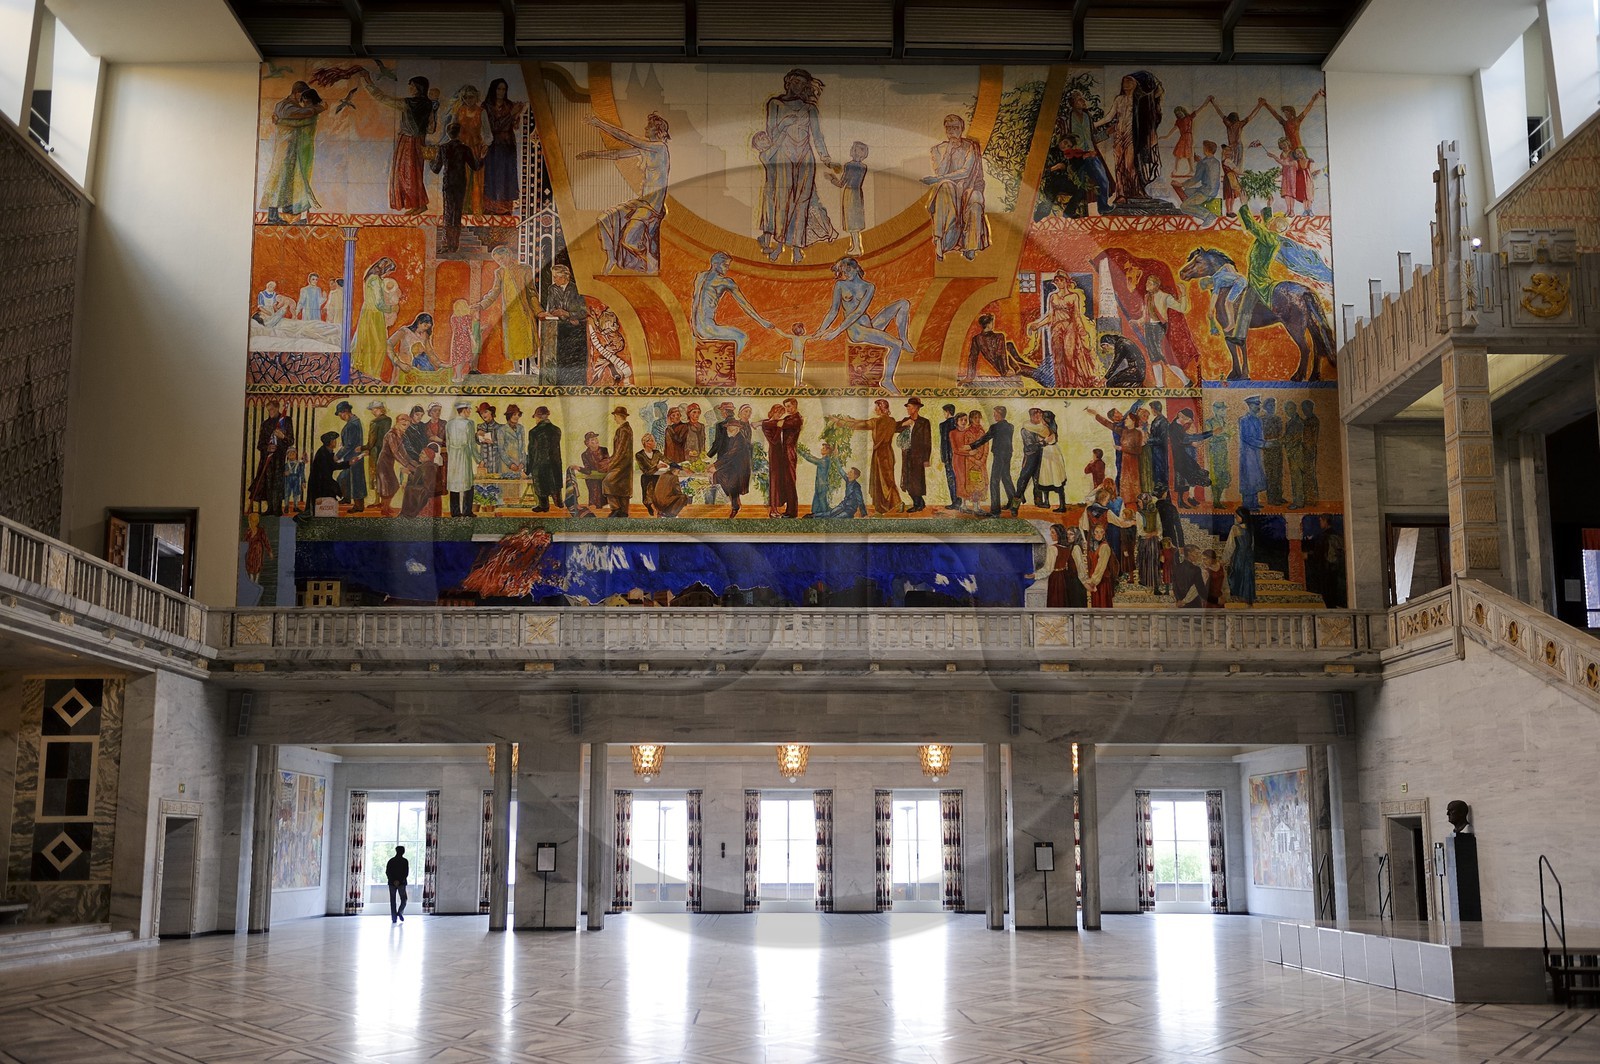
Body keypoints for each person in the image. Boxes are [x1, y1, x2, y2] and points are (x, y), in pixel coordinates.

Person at [759, 69, 835, 264]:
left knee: (802, 203)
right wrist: (783, 124)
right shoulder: (775, 104)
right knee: (782, 202)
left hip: (805, 158)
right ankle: (779, 245)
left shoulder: (810, 110)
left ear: (805, 87)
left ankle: (797, 247)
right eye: (794, 81)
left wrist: (826, 157)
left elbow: (817, 136)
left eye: (801, 83)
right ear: (788, 82)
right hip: (783, 156)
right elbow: (770, 134)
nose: (797, 86)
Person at [580, 111, 671, 274]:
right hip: (642, 203)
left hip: (652, 206)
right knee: (604, 219)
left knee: (629, 240)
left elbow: (627, 138)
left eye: (649, 126)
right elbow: (618, 154)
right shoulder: (647, 149)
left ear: (657, 131)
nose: (645, 128)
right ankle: (612, 258)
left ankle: (643, 265)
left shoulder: (659, 148)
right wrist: (593, 154)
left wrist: (600, 123)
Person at [816, 257, 914, 394]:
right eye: (843, 271)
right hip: (856, 331)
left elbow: (860, 311)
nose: (846, 274)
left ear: (856, 268)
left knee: (903, 303)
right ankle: (887, 380)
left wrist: (835, 332)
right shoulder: (840, 285)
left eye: (848, 270)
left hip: (869, 325)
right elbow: (833, 311)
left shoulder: (869, 287)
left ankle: (904, 339)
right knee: (895, 344)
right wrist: (822, 329)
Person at [359, 71, 437, 214]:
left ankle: (417, 204)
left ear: (419, 88)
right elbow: (431, 129)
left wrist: (368, 81)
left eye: (412, 86)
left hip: (407, 141)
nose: (410, 89)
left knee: (406, 173)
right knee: (415, 173)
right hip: (420, 141)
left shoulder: (408, 104)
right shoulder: (428, 105)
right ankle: (418, 204)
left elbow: (382, 98)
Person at [924, 114, 989, 261]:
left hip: (967, 187)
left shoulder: (971, 147)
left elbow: (966, 172)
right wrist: (948, 152)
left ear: (962, 129)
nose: (952, 131)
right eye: (949, 128)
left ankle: (970, 246)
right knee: (946, 186)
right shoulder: (937, 149)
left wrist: (938, 178)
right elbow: (940, 171)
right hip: (949, 188)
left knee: (976, 198)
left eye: (955, 128)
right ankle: (941, 240)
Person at [260, 83, 326, 224]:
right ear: (297, 92)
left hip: (293, 150)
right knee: (279, 180)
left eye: (306, 99)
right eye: (302, 97)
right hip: (285, 149)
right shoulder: (285, 106)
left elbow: (301, 119)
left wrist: (279, 121)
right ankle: (273, 215)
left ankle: (288, 208)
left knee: (289, 180)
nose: (303, 101)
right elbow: (298, 116)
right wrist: (318, 108)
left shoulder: (292, 106)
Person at [691, 251, 773, 359]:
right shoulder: (726, 282)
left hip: (696, 327)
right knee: (742, 337)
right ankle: (724, 363)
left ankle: (719, 360)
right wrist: (762, 321)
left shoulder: (699, 276)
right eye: (725, 265)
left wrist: (694, 330)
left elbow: (694, 303)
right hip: (708, 328)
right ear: (715, 264)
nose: (727, 269)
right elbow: (744, 305)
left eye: (728, 266)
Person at [830, 399, 903, 515]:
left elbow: (862, 425)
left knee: (883, 481)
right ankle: (883, 508)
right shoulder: (892, 421)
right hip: (888, 453)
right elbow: (864, 422)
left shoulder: (877, 422)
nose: (875, 409)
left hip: (880, 454)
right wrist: (852, 420)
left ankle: (897, 503)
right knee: (887, 479)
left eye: (876, 407)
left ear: (881, 407)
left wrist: (841, 422)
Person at [1024, 277, 1100, 388]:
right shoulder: (1053, 296)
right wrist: (1038, 325)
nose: (1058, 283)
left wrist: (1081, 329)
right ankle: (1061, 384)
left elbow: (1076, 315)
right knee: (1058, 358)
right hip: (1056, 328)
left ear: (1066, 281)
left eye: (1061, 280)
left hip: (1069, 327)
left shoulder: (1074, 296)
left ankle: (1072, 383)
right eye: (1056, 281)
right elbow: (1050, 316)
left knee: (1069, 356)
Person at [475, 246, 540, 376]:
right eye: (498, 260)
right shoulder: (499, 273)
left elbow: (532, 292)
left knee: (528, 337)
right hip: (509, 313)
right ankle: (517, 369)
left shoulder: (524, 269)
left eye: (502, 258)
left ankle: (533, 366)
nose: (501, 262)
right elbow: (494, 292)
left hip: (524, 310)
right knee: (512, 340)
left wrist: (538, 310)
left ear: (509, 254)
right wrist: (481, 305)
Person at [429, 120, 483, 253]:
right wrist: (482, 157)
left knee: (448, 213)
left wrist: (430, 160)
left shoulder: (443, 148)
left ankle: (446, 245)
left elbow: (436, 169)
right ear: (459, 133)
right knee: (457, 214)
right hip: (460, 184)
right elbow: (475, 166)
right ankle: (454, 246)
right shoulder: (465, 148)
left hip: (448, 184)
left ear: (448, 134)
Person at [540, 265, 589, 387]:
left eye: (557, 277)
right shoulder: (552, 289)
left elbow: (584, 311)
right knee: (560, 359)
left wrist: (568, 314)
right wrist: (552, 313)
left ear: (565, 276)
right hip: (559, 328)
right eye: (554, 277)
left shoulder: (577, 288)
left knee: (575, 360)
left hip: (576, 329)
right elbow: (550, 308)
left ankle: (576, 385)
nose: (554, 280)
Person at [1138, 276, 1191, 388]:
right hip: (1149, 329)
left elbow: (1182, 308)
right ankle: (1159, 385)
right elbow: (1146, 316)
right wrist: (1137, 321)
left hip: (1159, 329)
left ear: (1156, 285)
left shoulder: (1165, 297)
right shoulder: (1147, 297)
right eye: (1147, 282)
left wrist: (1183, 294)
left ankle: (1186, 381)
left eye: (1150, 283)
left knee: (1166, 358)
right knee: (1154, 358)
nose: (1147, 284)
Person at [481, 79, 525, 213]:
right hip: (494, 146)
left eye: (503, 89)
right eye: (499, 89)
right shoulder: (487, 106)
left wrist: (517, 115)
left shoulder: (509, 105)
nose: (501, 92)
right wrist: (511, 114)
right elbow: (493, 126)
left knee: (507, 175)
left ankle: (505, 207)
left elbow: (515, 126)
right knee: (494, 175)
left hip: (507, 145)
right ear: (493, 90)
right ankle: (491, 207)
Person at [351, 258, 398, 382]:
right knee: (377, 346)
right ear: (384, 268)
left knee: (368, 345)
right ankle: (372, 376)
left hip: (368, 313)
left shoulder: (370, 278)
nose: (388, 274)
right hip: (374, 315)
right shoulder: (375, 280)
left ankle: (367, 375)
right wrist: (392, 308)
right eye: (388, 271)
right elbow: (379, 304)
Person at [248, 399, 295, 516]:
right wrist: (267, 448)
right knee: (268, 483)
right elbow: (260, 445)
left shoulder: (286, 421)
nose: (270, 412)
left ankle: (277, 508)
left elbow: (291, 441)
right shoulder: (265, 424)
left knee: (278, 483)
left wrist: (283, 436)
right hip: (267, 458)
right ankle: (270, 508)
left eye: (272, 409)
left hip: (280, 457)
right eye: (268, 410)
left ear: (277, 408)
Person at [968, 407, 1016, 517]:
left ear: (1000, 414)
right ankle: (1014, 505)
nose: (994, 416)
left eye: (995, 414)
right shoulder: (1010, 426)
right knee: (1006, 478)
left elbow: (984, 438)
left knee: (994, 481)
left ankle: (995, 511)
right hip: (1008, 454)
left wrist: (971, 446)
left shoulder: (995, 427)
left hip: (999, 455)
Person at [706, 406, 752, 517]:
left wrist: (715, 465)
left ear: (737, 429)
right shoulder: (733, 437)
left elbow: (730, 455)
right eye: (727, 428)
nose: (727, 431)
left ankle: (735, 506)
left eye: (730, 429)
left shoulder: (739, 440)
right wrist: (714, 465)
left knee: (730, 481)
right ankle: (734, 502)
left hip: (740, 469)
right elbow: (727, 455)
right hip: (734, 466)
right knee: (720, 476)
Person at [963, 313, 1036, 382]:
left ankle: (1022, 362)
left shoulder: (976, 339)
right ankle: (1022, 365)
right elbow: (1000, 354)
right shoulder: (999, 336)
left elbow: (972, 357)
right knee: (1034, 372)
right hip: (1004, 367)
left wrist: (969, 376)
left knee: (1009, 345)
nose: (993, 325)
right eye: (992, 323)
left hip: (1004, 364)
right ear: (988, 325)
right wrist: (1005, 371)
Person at [825, 140, 869, 255]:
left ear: (856, 152)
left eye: (852, 148)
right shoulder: (863, 167)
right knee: (855, 221)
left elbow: (841, 184)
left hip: (850, 194)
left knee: (852, 222)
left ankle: (857, 248)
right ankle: (856, 245)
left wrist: (831, 178)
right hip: (858, 194)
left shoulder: (849, 166)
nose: (850, 150)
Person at [1168, 409, 1214, 508]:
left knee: (1192, 474)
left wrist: (1210, 433)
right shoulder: (1173, 427)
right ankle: (1180, 501)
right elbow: (1182, 440)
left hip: (1183, 455)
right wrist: (1192, 443)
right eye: (1188, 419)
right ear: (1181, 416)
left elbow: (1189, 437)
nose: (1189, 421)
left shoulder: (1179, 426)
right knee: (1181, 478)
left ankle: (1188, 498)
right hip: (1179, 456)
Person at [896, 397, 933, 513]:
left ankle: (918, 504)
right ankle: (920, 503)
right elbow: (894, 428)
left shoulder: (924, 422)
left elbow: (927, 441)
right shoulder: (905, 420)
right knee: (907, 480)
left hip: (918, 456)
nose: (908, 409)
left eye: (910, 407)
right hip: (906, 454)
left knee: (916, 481)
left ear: (916, 408)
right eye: (907, 407)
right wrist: (904, 423)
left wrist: (926, 458)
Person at [375, 412, 413, 516]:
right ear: (397, 423)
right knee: (387, 487)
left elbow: (403, 451)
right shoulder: (391, 434)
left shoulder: (400, 434)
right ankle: (384, 509)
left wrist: (411, 461)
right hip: (383, 464)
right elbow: (395, 452)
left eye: (407, 426)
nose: (405, 428)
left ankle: (386, 507)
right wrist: (407, 464)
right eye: (403, 425)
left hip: (388, 464)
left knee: (393, 486)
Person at [1010, 408, 1047, 514]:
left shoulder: (1042, 428)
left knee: (1038, 480)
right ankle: (1014, 507)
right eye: (1036, 416)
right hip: (1030, 457)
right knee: (1023, 481)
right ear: (1031, 416)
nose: (1039, 418)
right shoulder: (1026, 430)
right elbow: (1030, 447)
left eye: (1040, 416)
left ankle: (1038, 501)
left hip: (1040, 456)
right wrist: (1043, 443)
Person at [526, 406, 562, 512]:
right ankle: (559, 503)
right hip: (555, 463)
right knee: (555, 484)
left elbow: (531, 451)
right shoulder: (557, 430)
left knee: (540, 486)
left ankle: (544, 506)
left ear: (538, 417)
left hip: (540, 463)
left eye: (536, 417)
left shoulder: (534, 431)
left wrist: (528, 469)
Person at [333, 401, 367, 513]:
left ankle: (359, 506)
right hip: (350, 457)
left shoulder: (352, 424)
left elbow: (349, 444)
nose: (341, 417)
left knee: (356, 481)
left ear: (345, 412)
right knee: (343, 478)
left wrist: (337, 456)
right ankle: (347, 498)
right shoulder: (353, 422)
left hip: (354, 458)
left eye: (340, 414)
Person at [309, 430, 355, 511]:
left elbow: (331, 466)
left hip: (324, 481)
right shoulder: (323, 453)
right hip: (320, 483)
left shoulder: (326, 451)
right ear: (329, 442)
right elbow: (331, 467)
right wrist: (348, 463)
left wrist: (348, 463)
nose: (335, 442)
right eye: (334, 440)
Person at [1179, 139, 1223, 223]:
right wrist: (1199, 162)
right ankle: (1199, 208)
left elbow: (1196, 179)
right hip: (1213, 191)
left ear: (1206, 149)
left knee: (1184, 206)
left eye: (1203, 148)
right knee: (1187, 192)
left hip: (1205, 192)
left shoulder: (1203, 163)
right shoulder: (1216, 162)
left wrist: (1181, 184)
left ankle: (1207, 215)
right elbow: (1208, 169)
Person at [445, 400, 477, 517]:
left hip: (453, 456)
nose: (470, 411)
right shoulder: (469, 423)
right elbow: (472, 444)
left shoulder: (449, 424)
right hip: (464, 455)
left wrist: (452, 454)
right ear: (463, 410)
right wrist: (479, 460)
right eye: (469, 409)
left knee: (454, 484)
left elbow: (448, 443)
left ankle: (455, 512)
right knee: (468, 483)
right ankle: (467, 511)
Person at [602, 407, 634, 518]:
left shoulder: (624, 430)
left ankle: (616, 509)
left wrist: (610, 464)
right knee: (622, 488)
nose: (614, 419)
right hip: (624, 463)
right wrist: (610, 459)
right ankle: (623, 512)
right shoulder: (625, 429)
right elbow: (618, 451)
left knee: (607, 482)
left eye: (615, 416)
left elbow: (621, 451)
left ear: (619, 416)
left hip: (622, 464)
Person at [588, 308, 632, 385]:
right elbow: (601, 328)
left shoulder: (611, 318)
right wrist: (594, 318)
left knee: (602, 359)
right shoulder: (605, 317)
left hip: (616, 343)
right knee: (608, 360)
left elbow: (607, 329)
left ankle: (594, 380)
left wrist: (601, 331)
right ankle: (617, 376)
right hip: (614, 343)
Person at [1036, 409, 1068, 513]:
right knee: (1046, 476)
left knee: (1054, 476)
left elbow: (1043, 442)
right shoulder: (1050, 428)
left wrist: (1040, 442)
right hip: (1049, 453)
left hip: (1050, 453)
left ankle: (1061, 505)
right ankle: (1047, 502)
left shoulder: (1048, 429)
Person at [1237, 395, 1266, 509]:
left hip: (1256, 453)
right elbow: (1246, 437)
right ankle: (1247, 504)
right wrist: (1262, 444)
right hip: (1247, 454)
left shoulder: (1258, 420)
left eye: (1258, 404)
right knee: (1249, 478)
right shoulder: (1244, 420)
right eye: (1256, 404)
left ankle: (1254, 502)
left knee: (1256, 478)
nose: (1258, 407)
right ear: (1249, 406)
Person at [797, 440, 840, 516]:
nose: (821, 449)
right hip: (820, 484)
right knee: (817, 501)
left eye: (823, 448)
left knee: (822, 502)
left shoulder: (824, 461)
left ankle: (824, 516)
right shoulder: (825, 460)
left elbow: (812, 459)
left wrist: (801, 451)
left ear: (827, 451)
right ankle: (815, 514)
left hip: (822, 485)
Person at [1224, 507, 1256, 605]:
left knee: (1237, 574)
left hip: (1239, 555)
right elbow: (1252, 545)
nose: (1235, 517)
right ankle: (1246, 599)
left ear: (1242, 516)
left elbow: (1230, 545)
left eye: (1237, 515)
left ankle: (1239, 598)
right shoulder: (1250, 528)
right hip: (1248, 555)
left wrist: (1225, 559)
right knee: (1246, 575)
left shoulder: (1235, 528)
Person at [1260, 396, 1286, 505]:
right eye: (1270, 405)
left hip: (1277, 447)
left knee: (1278, 473)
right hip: (1268, 449)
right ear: (1265, 407)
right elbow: (1261, 434)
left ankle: (1278, 496)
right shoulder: (1262, 420)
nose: (1273, 407)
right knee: (1270, 474)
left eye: (1274, 405)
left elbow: (1280, 432)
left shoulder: (1278, 419)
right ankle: (1271, 498)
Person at [364, 400, 390, 500]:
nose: (372, 412)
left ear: (380, 409)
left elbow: (371, 441)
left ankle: (376, 500)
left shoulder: (374, 422)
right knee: (384, 475)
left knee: (375, 474)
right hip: (386, 451)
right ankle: (384, 501)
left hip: (375, 451)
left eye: (373, 409)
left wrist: (364, 448)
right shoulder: (388, 420)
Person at [937, 404, 961, 510]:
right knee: (959, 478)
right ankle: (959, 500)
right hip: (958, 456)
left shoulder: (943, 425)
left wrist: (943, 457)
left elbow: (944, 443)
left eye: (944, 412)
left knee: (951, 478)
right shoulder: (958, 423)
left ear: (947, 412)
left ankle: (955, 501)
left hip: (948, 455)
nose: (944, 414)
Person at [636, 434, 666, 516]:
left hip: (657, 477)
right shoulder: (639, 455)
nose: (654, 443)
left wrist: (676, 465)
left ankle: (658, 509)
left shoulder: (657, 453)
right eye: (652, 441)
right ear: (646, 443)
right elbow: (646, 471)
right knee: (649, 490)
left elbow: (667, 460)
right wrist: (657, 467)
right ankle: (652, 507)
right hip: (647, 478)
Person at [242, 512, 272, 583]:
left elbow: (265, 541)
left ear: (256, 521)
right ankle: (251, 578)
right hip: (250, 549)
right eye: (251, 521)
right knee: (250, 562)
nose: (252, 523)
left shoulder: (261, 530)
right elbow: (244, 541)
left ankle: (257, 579)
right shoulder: (248, 531)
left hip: (258, 549)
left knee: (258, 563)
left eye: (253, 521)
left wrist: (269, 551)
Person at [386, 845, 410, 923]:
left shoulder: (391, 861)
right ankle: (399, 912)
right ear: (403, 852)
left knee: (392, 900)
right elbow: (405, 873)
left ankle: (394, 918)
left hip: (392, 883)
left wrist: (393, 880)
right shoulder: (405, 861)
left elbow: (388, 872)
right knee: (404, 899)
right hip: (402, 883)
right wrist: (399, 881)